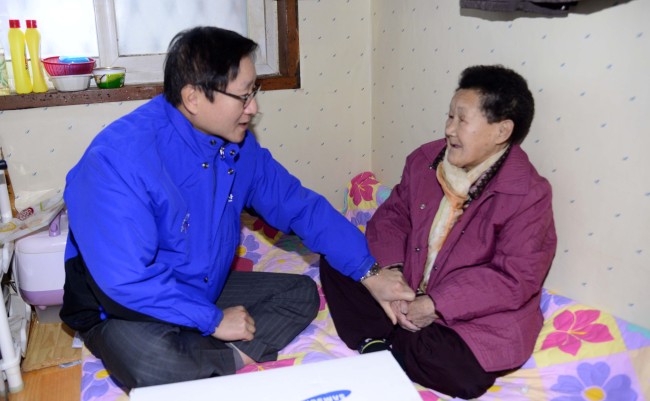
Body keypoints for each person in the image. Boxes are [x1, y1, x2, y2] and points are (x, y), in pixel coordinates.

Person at [60, 26, 414, 389]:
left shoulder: (238, 145)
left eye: (254, 92)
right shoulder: (117, 161)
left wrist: (370, 272)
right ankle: (212, 351)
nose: (254, 108)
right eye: (244, 97)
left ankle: (216, 356)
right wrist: (213, 321)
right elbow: (127, 280)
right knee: (153, 364)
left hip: (199, 285)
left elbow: (300, 207)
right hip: (129, 305)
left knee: (300, 294)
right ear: (194, 97)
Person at [320, 65, 557, 399]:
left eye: (462, 120)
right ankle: (376, 344)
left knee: (465, 376)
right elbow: (393, 217)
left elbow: (514, 278)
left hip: (467, 315)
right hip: (408, 283)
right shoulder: (426, 160)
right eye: (449, 117)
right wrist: (393, 273)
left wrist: (435, 304)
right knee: (339, 256)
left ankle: (385, 338)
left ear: (502, 131)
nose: (449, 129)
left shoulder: (528, 195)